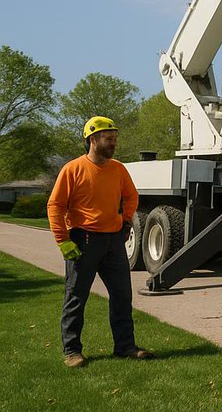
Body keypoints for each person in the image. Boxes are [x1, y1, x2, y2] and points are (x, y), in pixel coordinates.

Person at [47, 116, 153, 368]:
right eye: (109, 138)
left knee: (121, 295)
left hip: (113, 242)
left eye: (115, 138)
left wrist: (126, 222)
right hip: (82, 241)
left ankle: (125, 347)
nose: (114, 143)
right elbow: (55, 205)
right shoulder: (73, 169)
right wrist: (62, 240)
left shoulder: (118, 168)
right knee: (76, 297)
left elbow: (131, 196)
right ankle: (72, 351)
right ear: (93, 140)